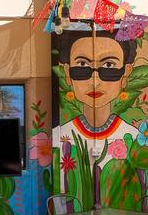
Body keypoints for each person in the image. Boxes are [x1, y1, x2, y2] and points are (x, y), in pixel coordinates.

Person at [54, 28, 140, 158]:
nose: (95, 83)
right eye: (82, 64)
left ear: (126, 73)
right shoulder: (59, 136)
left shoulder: (134, 137)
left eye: (108, 65)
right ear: (67, 72)